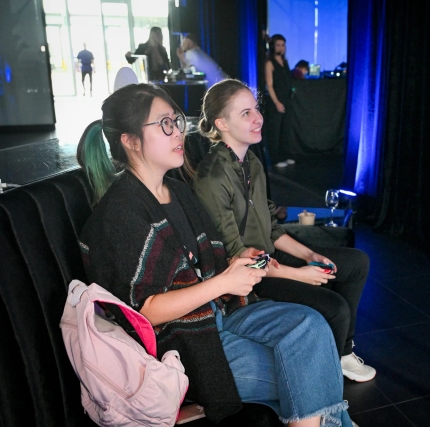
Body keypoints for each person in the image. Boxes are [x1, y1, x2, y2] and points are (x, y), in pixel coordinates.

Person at [76, 83, 355, 427]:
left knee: (311, 326)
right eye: (164, 124)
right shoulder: (121, 214)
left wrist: (235, 265)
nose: (178, 130)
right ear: (130, 140)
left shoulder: (177, 190)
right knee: (311, 368)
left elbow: (210, 263)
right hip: (183, 346)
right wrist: (225, 280)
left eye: (177, 120)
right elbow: (145, 311)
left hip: (221, 314)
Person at [193, 79, 377, 383]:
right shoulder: (212, 177)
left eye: (256, 109)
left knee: (356, 263)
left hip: (269, 259)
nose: (258, 118)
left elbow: (272, 226)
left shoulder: (250, 161)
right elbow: (237, 256)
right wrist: (298, 274)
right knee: (335, 308)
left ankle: (341, 353)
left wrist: (309, 254)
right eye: (246, 113)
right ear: (221, 123)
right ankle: (330, 365)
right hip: (247, 279)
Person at [264, 34, 295, 168]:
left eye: (283, 45)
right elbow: (269, 85)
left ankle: (284, 155)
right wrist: (276, 102)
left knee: (285, 130)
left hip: (286, 100)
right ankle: (275, 159)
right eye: (278, 45)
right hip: (275, 101)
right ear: (273, 46)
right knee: (275, 131)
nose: (281, 48)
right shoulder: (270, 63)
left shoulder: (285, 62)